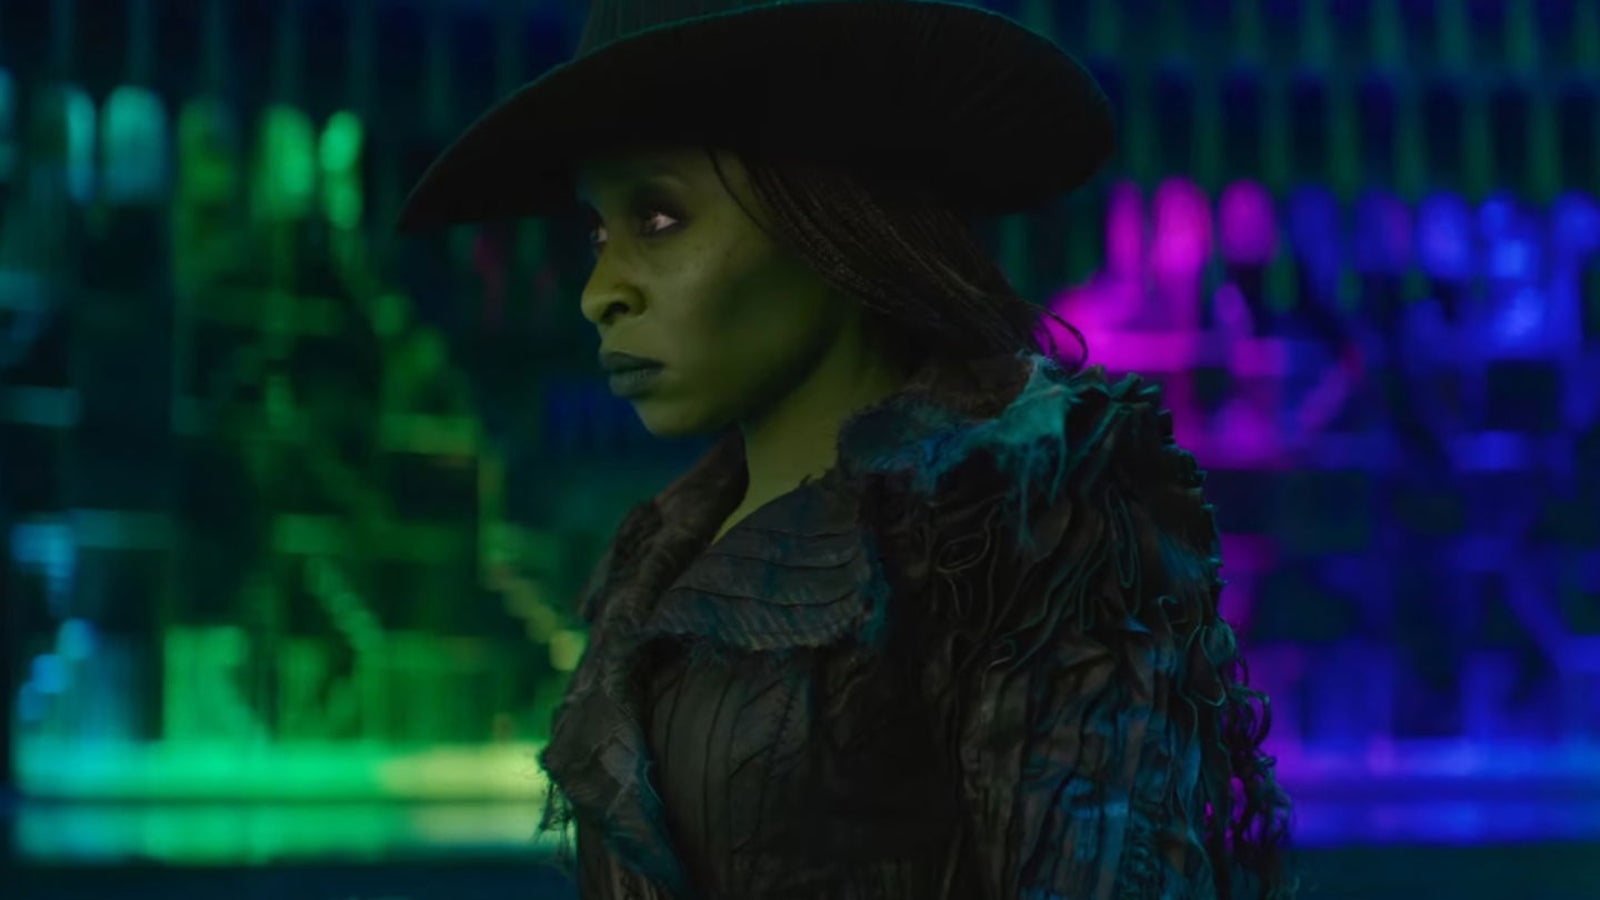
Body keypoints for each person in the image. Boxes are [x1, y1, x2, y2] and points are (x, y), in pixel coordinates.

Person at [397, 1, 1294, 898]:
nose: (600, 291)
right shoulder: (660, 555)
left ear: (823, 212)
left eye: (659, 219)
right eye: (598, 231)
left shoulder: (1026, 516)